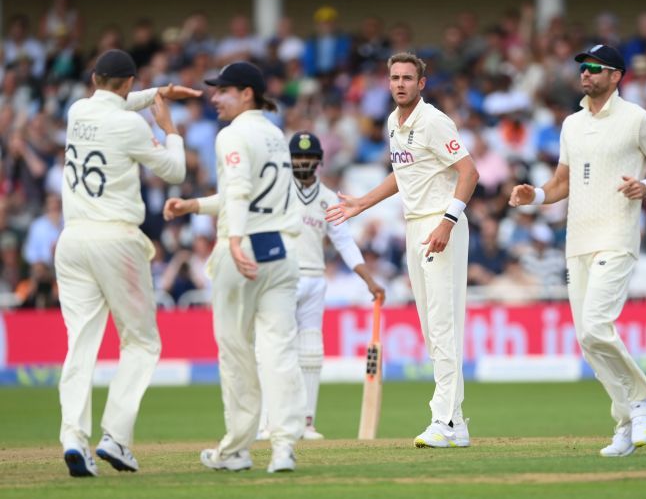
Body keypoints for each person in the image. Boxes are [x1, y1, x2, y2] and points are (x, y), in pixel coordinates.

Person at [509, 45, 646, 457]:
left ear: (616, 75)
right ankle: (625, 423)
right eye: (582, 68)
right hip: (577, 241)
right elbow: (562, 183)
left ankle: (641, 405)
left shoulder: (638, 118)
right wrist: (534, 196)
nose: (585, 74)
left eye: (594, 69)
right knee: (588, 340)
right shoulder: (571, 124)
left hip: (617, 235)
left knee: (596, 326)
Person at [56, 49, 198, 477]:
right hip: (115, 239)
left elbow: (113, 101)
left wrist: (155, 91)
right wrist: (169, 127)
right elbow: (174, 171)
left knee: (80, 343)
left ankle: (72, 439)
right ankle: (115, 437)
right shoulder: (131, 124)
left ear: (96, 77)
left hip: (72, 240)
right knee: (141, 342)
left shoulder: (77, 110)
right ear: (129, 83)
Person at [326, 52, 479, 448]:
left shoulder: (433, 121)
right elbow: (404, 172)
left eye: (408, 78)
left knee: (443, 324)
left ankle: (443, 420)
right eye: (394, 77)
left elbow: (469, 171)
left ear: (421, 84)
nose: (399, 84)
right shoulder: (394, 122)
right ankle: (456, 422)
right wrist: (362, 202)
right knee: (432, 328)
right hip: (415, 225)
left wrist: (447, 220)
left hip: (439, 222)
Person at [162, 61, 306, 473]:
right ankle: (283, 447)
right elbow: (246, 193)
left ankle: (238, 449)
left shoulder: (233, 135)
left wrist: (237, 240)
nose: (213, 97)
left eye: (222, 91)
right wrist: (195, 205)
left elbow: (242, 191)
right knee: (278, 351)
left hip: (242, 250)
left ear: (247, 93)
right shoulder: (276, 135)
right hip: (281, 248)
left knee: (236, 353)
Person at [256, 131, 385, 441]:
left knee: (311, 352)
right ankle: (268, 422)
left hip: (315, 280)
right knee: (276, 349)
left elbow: (344, 242)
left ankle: (305, 422)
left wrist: (369, 280)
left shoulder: (328, 198)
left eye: (309, 157)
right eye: (298, 157)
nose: (303, 162)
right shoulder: (276, 191)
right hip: (281, 278)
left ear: (318, 162)